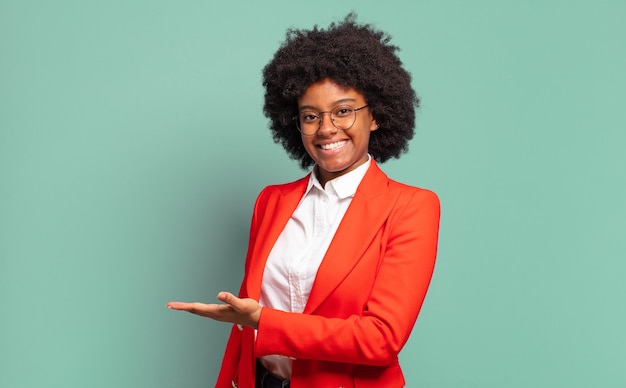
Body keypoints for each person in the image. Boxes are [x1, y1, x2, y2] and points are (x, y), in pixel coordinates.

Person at [167, 13, 440, 388]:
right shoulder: (272, 201)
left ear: (375, 115)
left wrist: (263, 320)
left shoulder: (411, 208)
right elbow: (247, 315)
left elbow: (380, 339)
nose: (326, 128)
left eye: (343, 111)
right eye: (310, 116)